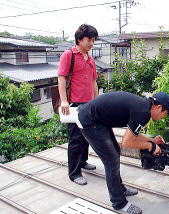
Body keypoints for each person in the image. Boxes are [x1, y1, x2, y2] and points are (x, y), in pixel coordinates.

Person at [76, 91, 169, 214]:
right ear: (158, 107)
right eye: (165, 114)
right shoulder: (143, 113)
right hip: (90, 120)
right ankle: (119, 203)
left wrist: (152, 140)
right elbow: (127, 142)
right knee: (111, 160)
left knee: (115, 153)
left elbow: (133, 135)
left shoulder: (144, 107)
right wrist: (150, 146)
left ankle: (120, 189)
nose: (163, 117)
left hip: (99, 120)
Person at [58, 24, 99, 185]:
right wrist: (64, 101)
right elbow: (61, 78)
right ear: (79, 39)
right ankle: (74, 173)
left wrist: (97, 101)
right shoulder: (69, 55)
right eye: (89, 39)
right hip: (74, 103)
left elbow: (94, 81)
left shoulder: (90, 59)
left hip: (89, 103)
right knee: (75, 138)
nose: (92, 43)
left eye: (93, 40)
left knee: (86, 136)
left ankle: (83, 162)